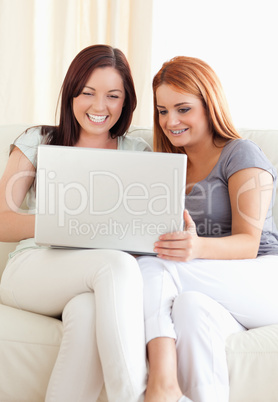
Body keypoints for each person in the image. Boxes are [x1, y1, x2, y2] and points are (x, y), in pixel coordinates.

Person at [0, 44, 151, 402]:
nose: (100, 107)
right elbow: (2, 221)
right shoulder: (39, 140)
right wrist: (61, 221)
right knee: (116, 264)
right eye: (88, 93)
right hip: (32, 270)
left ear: (126, 101)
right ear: (71, 93)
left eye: (113, 96)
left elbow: (147, 230)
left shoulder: (138, 153)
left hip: (93, 283)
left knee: (87, 313)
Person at [137, 56, 278, 402]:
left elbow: (248, 242)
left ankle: (161, 383)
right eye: (162, 110)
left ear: (209, 103)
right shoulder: (164, 165)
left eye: (183, 108)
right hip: (211, 291)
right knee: (189, 309)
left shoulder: (240, 154)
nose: (171, 121)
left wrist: (195, 248)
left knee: (153, 265)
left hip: (261, 279)